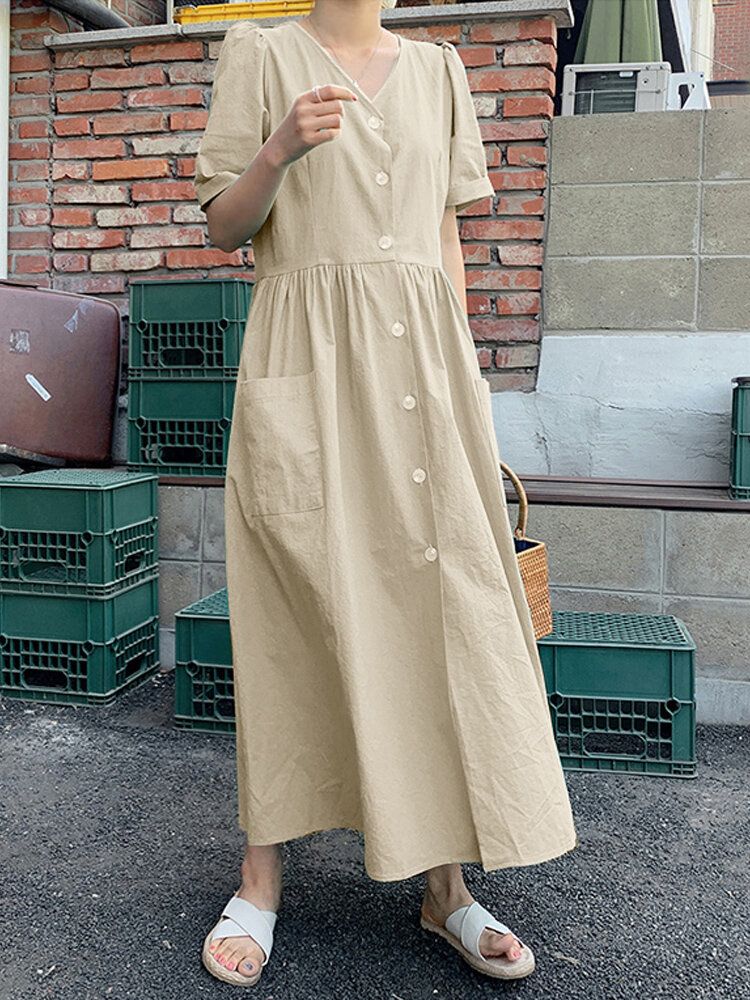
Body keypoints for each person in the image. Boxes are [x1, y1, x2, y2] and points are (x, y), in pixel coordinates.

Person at [192, 0, 579, 987]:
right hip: (306, 375)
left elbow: (445, 240)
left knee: (436, 614)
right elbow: (223, 226)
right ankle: (260, 880)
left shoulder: (442, 71)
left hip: (422, 383)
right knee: (288, 618)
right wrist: (278, 148)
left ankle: (445, 886)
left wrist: (470, 395)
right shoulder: (262, 52)